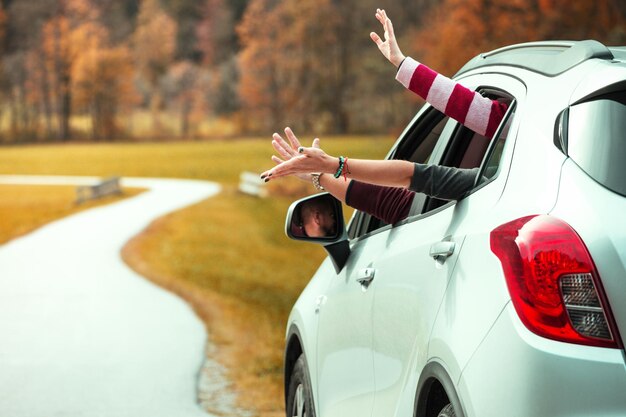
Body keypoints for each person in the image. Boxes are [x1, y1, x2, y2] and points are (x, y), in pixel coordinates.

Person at [262, 9, 509, 225]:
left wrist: (329, 166)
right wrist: (402, 64)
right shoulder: (506, 177)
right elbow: (480, 112)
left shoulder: (492, 183)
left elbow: (411, 178)